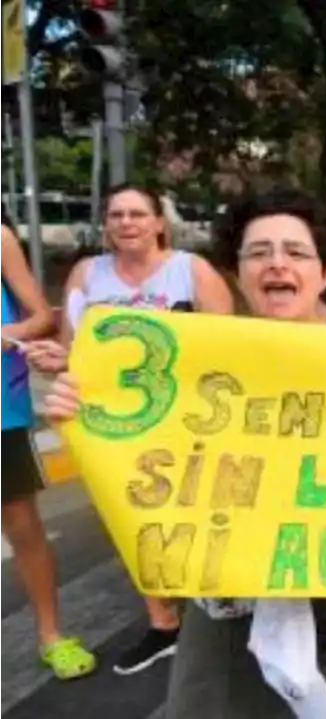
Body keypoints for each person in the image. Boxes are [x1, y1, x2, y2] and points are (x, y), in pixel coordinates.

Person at [40, 188, 326, 717]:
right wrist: (85, 411)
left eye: (296, 252)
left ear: (325, 273)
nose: (277, 263)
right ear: (237, 272)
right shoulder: (193, 363)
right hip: (228, 608)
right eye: (259, 252)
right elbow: (144, 458)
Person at [23, 184, 235, 676]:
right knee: (132, 521)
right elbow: (71, 349)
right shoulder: (86, 274)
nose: (126, 222)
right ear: (106, 225)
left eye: (137, 213)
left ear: (159, 222)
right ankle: (164, 624)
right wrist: (57, 359)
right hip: (111, 426)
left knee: (198, 514)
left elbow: (230, 346)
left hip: (188, 420)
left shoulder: (191, 270)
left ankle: (219, 614)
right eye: (115, 214)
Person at [0, 207, 97, 680]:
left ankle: (51, 635)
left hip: (1, 408)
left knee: (21, 525)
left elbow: (41, 316)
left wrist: (7, 334)